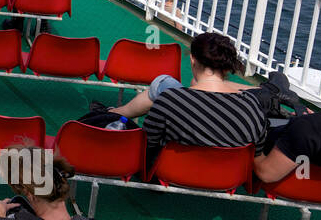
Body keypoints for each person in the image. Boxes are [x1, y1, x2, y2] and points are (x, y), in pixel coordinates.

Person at [106, 33, 269, 164]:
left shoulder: (170, 100)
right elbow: (257, 154)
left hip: (170, 171)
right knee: (167, 83)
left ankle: (113, 114)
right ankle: (115, 112)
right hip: (228, 178)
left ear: (192, 59)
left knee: (165, 83)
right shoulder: (252, 106)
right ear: (227, 66)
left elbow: (147, 143)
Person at [253, 57, 321, 183]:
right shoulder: (316, 125)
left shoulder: (310, 128)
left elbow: (266, 174)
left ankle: (270, 91)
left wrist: (255, 145)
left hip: (293, 184)